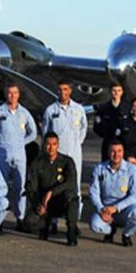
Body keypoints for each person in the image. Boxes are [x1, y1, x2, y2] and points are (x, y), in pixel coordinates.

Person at [0, 83, 37, 231]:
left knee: (20, 187)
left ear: (19, 95)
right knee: (1, 187)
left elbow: (32, 133)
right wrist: (0, 142)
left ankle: (20, 219)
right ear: (5, 94)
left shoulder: (24, 113)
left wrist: (21, 143)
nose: (12, 96)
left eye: (15, 93)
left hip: (20, 154)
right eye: (9, 93)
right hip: (3, 153)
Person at [42, 78, 88, 218]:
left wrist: (77, 142)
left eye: (66, 89)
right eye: (60, 89)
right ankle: (54, 219)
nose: (63, 93)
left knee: (75, 185)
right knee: (55, 185)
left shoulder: (78, 109)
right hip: (57, 154)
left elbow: (83, 128)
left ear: (70, 91)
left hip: (74, 152)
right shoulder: (50, 110)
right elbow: (46, 132)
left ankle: (75, 218)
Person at [25, 132, 79, 246]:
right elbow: (31, 187)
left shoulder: (67, 162)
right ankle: (44, 225)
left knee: (71, 197)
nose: (51, 147)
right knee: (30, 221)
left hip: (61, 201)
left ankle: (72, 231)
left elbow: (71, 183)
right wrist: (37, 205)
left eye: (54, 144)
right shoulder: (37, 163)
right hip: (44, 204)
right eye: (48, 144)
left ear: (58, 145)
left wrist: (52, 192)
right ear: (44, 145)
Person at [89, 140, 136, 246]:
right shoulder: (99, 168)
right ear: (108, 152)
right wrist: (101, 209)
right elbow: (93, 192)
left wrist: (116, 207)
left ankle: (127, 234)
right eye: (113, 151)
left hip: (123, 209)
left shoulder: (131, 170)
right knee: (94, 225)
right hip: (105, 209)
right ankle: (110, 230)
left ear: (123, 152)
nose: (116, 154)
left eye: (119, 151)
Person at [93, 83, 129, 161]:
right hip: (108, 142)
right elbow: (97, 127)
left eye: (119, 91)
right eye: (114, 91)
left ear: (122, 92)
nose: (116, 93)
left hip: (123, 143)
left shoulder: (128, 108)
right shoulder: (104, 108)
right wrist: (107, 134)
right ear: (110, 91)